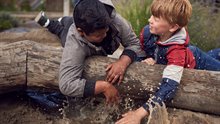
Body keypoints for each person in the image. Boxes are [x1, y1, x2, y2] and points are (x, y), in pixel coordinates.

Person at [116, 0, 220, 123]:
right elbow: (141, 52)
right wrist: (146, 59)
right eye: (152, 15)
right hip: (188, 53)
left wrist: (139, 114)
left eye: (156, 18)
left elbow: (169, 88)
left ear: (173, 27)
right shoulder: (148, 32)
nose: (150, 20)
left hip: (197, 60)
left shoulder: (177, 51)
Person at [35, 0, 144, 105]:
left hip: (88, 32)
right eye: (98, 35)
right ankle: (49, 23)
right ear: (81, 32)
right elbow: (66, 84)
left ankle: (57, 22)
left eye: (105, 31)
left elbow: (134, 43)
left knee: (72, 23)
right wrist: (103, 86)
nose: (104, 35)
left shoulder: (114, 19)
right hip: (73, 32)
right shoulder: (75, 42)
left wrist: (122, 62)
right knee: (62, 31)